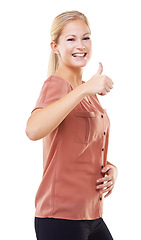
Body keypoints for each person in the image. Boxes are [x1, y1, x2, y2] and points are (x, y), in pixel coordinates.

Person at [26, 10, 118, 240]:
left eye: (86, 37)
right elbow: (33, 130)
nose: (81, 45)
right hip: (61, 218)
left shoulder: (88, 90)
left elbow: (81, 149)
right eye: (71, 39)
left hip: (92, 215)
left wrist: (111, 169)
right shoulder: (57, 85)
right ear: (55, 46)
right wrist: (84, 89)